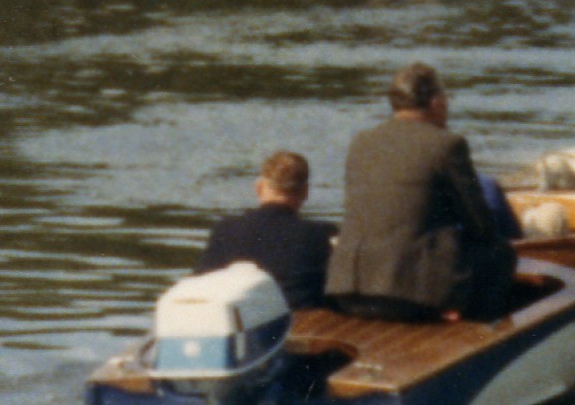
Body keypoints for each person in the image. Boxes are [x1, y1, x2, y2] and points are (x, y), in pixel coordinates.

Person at [324, 62, 519, 325]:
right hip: (409, 297)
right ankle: (480, 336)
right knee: (500, 254)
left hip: (349, 288)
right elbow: (480, 225)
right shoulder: (447, 144)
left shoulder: (361, 141)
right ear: (436, 102)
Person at [196, 150, 336, 310]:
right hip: (300, 321)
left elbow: (199, 281)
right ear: (305, 192)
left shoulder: (225, 229)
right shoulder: (320, 235)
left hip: (238, 316)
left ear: (259, 187)